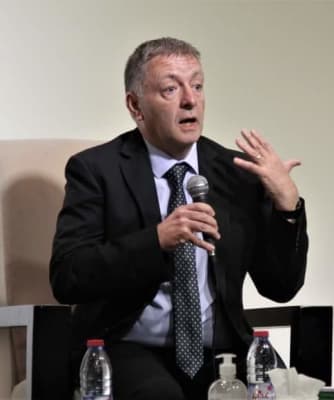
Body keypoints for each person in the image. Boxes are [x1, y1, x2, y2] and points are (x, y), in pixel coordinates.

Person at [50, 37, 308, 400]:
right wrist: (157, 240)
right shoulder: (97, 170)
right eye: (171, 89)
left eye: (197, 86)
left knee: (292, 393)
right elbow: (68, 276)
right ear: (136, 106)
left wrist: (287, 208)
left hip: (223, 351)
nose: (190, 100)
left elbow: (280, 287)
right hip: (127, 346)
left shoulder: (236, 173)